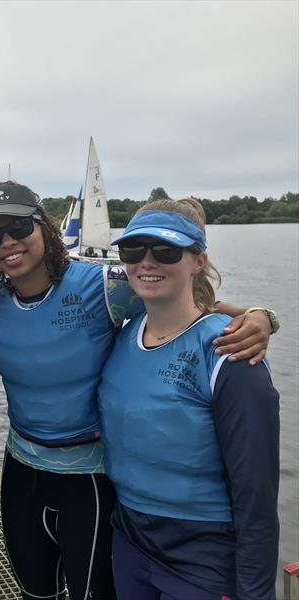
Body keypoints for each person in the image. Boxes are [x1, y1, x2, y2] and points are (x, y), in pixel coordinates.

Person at [0, 181, 275, 600]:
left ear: (44, 227)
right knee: (34, 593)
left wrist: (261, 316)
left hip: (89, 478)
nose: (7, 243)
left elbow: (186, 298)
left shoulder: (107, 285)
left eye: (19, 227)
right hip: (22, 468)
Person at [98, 199, 280, 600]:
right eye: (133, 250)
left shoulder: (229, 353)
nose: (147, 262)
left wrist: (255, 591)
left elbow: (257, 492)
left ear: (198, 261)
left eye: (166, 251)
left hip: (202, 550)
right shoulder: (123, 332)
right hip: (129, 536)